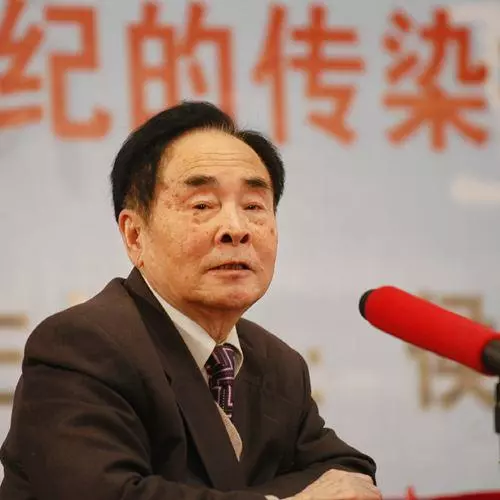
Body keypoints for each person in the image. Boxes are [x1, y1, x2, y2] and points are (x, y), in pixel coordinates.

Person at [0, 101, 381, 500]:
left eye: (253, 206)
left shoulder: (277, 363)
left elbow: (349, 475)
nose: (236, 229)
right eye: (202, 205)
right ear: (134, 236)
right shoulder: (82, 346)